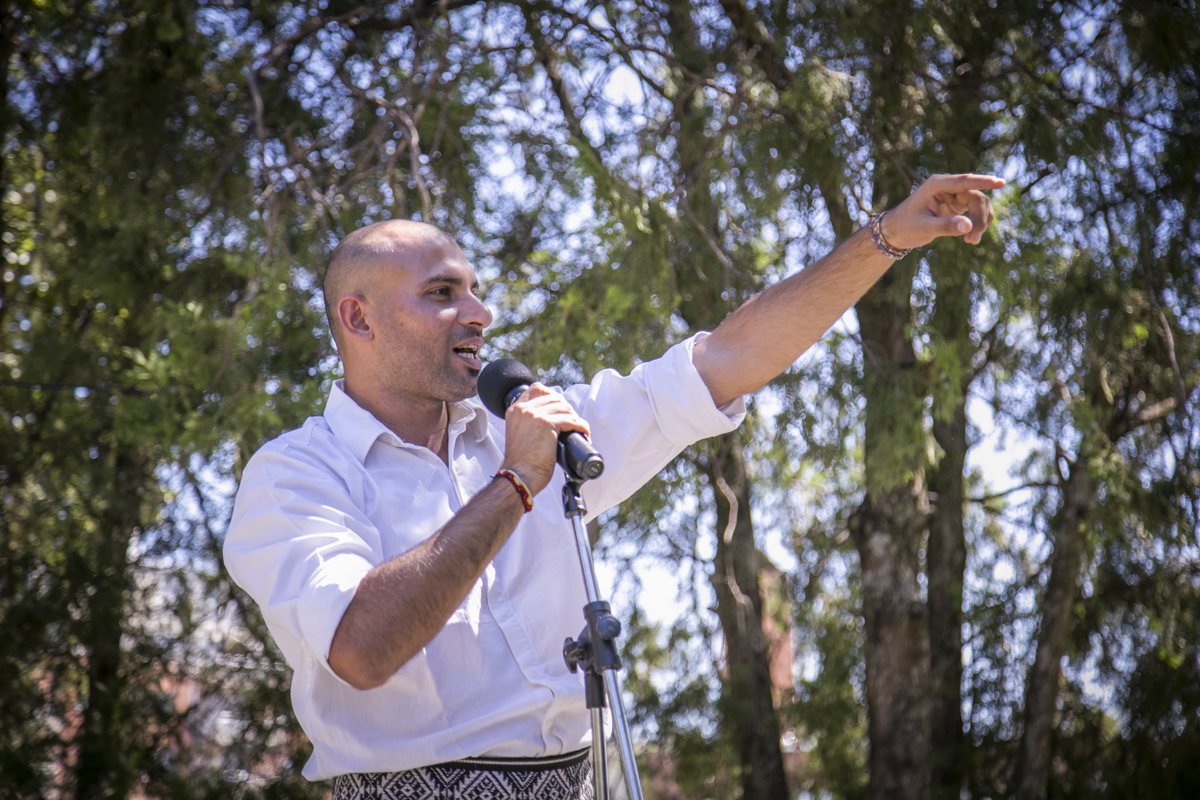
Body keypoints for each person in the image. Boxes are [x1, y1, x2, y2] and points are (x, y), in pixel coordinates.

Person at [223, 174, 1004, 799]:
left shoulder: (538, 430)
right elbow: (360, 649)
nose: (481, 313)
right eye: (441, 294)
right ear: (358, 320)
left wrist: (887, 237)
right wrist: (515, 483)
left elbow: (724, 361)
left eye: (475, 290)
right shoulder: (296, 476)